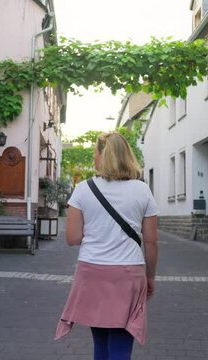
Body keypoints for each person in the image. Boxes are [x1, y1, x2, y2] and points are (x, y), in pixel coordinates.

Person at [55, 132, 159, 360]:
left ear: (103, 156)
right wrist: (150, 277)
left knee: (100, 343)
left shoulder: (83, 189)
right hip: (129, 273)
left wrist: (97, 231)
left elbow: (72, 237)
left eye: (95, 153)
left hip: (92, 272)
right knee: (121, 344)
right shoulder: (142, 190)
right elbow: (150, 242)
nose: (93, 158)